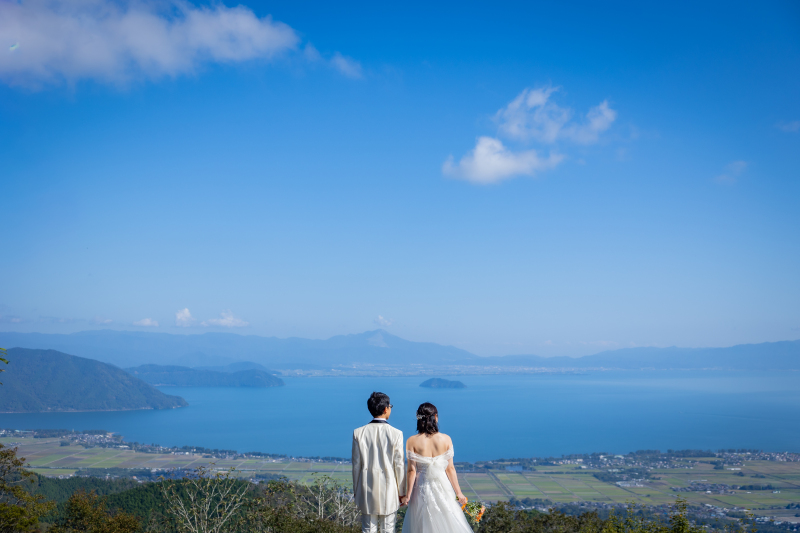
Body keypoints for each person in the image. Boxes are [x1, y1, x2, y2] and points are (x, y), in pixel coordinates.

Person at [402, 402, 473, 533]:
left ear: (419, 418)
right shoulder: (446, 439)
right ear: (435, 417)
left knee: (421, 522)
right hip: (443, 485)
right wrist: (459, 493)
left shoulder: (411, 440)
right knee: (448, 517)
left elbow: (411, 471)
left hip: (421, 487)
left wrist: (408, 495)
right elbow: (450, 469)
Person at [352, 392, 407, 533]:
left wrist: (356, 490)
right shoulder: (396, 433)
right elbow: (399, 465)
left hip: (366, 487)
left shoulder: (358, 433)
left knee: (368, 528)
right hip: (389, 488)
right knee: (388, 529)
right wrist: (402, 492)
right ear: (385, 409)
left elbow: (356, 465)